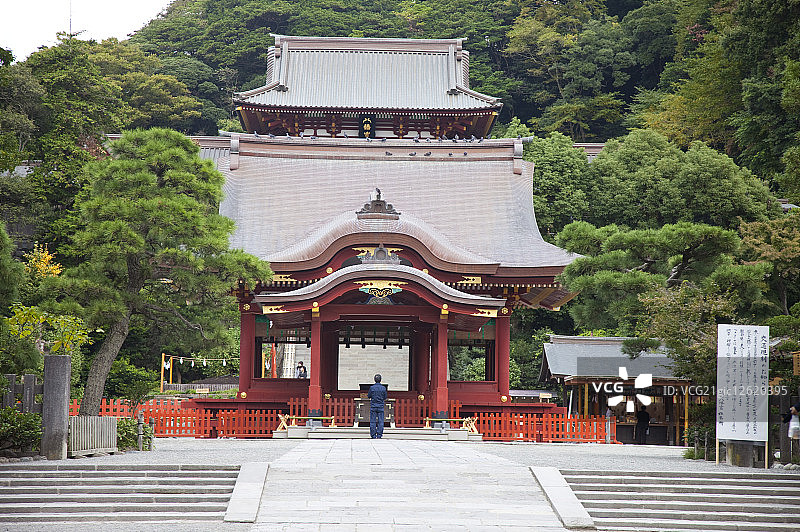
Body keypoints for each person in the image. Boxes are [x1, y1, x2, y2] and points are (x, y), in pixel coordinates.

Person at [368, 374, 387, 439]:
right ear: (380, 380)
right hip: (380, 406)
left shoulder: (372, 388)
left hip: (373, 405)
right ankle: (379, 435)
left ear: (374, 380)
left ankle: (373, 435)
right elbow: (385, 397)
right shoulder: (383, 388)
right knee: (380, 421)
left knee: (373, 421)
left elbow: (369, 396)